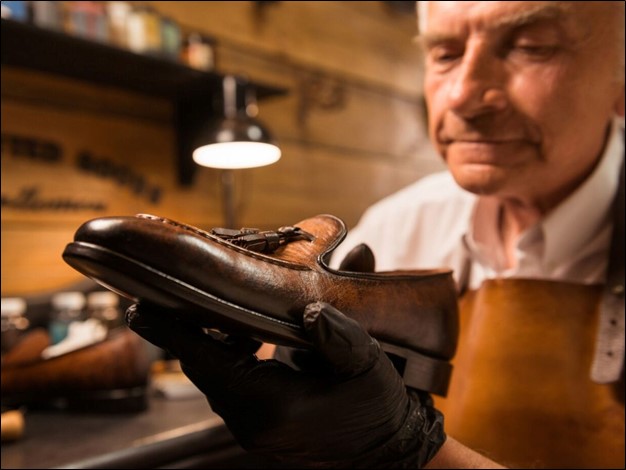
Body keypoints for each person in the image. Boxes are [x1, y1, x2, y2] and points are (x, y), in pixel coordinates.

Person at [125, 2, 625, 468]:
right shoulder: (403, 223)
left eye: (532, 47)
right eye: (444, 54)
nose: (464, 97)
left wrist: (409, 450)